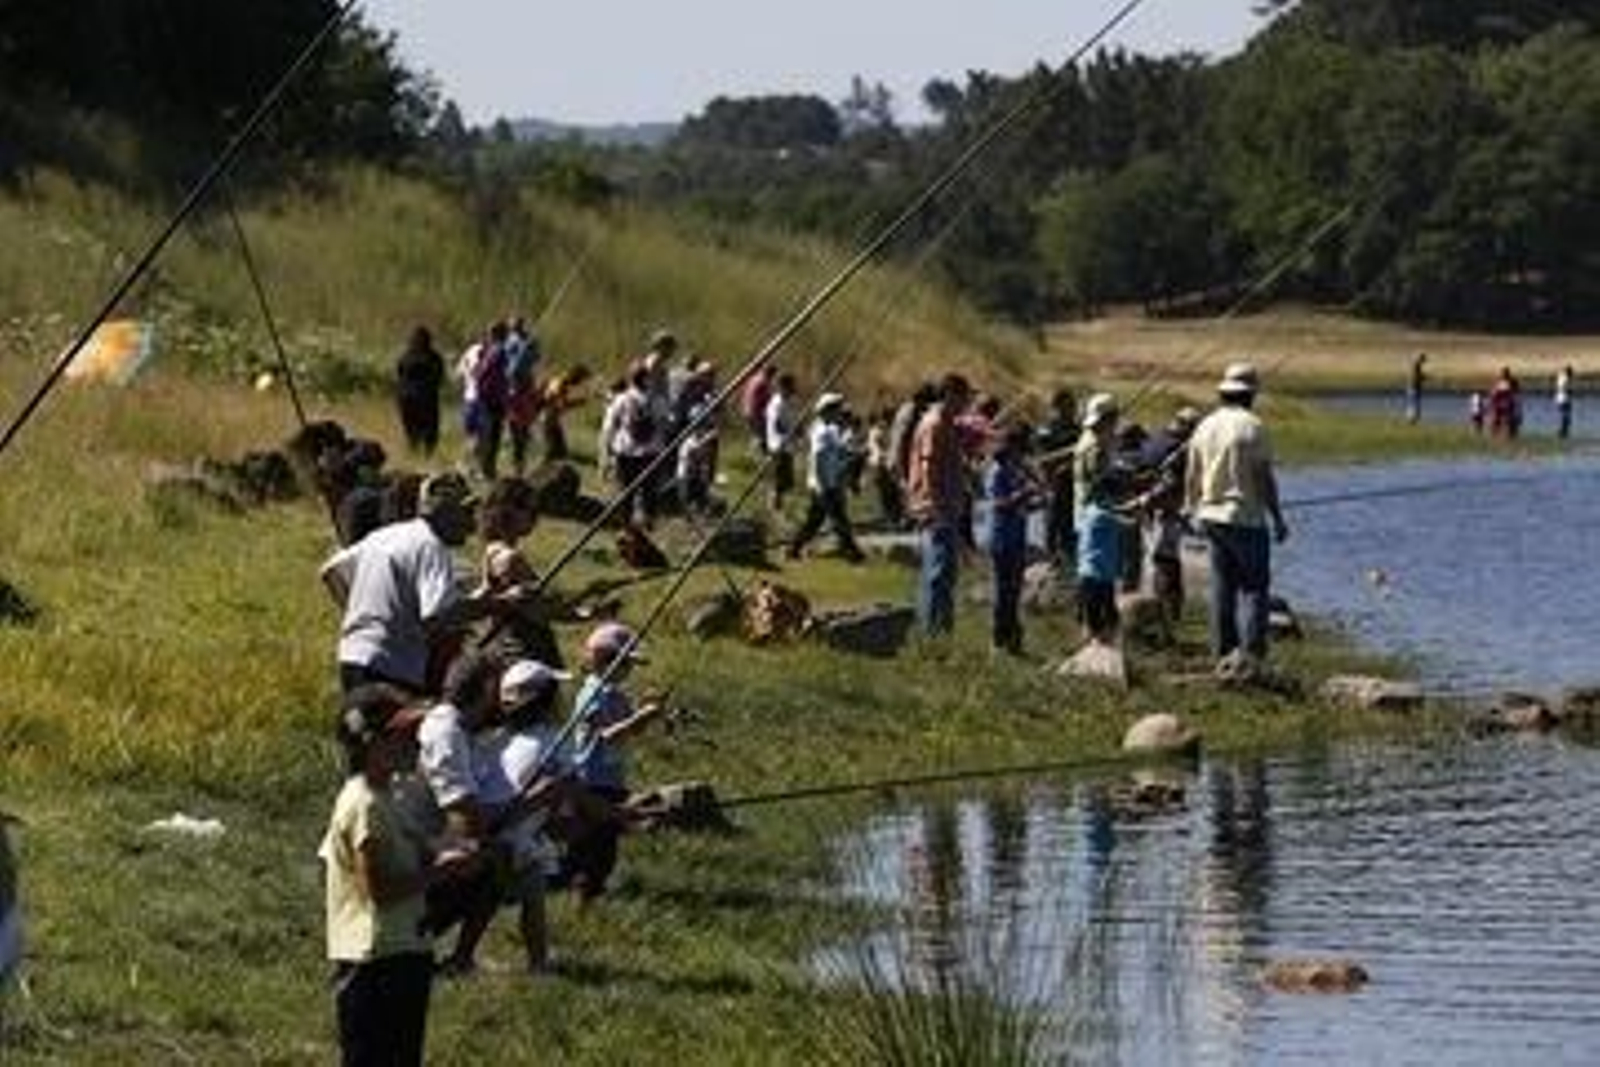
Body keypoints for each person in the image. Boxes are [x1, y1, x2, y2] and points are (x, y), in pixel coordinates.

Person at [320, 684, 482, 1067]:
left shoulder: (387, 797)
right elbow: (377, 890)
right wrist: (441, 871)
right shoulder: (364, 805)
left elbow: (409, 857)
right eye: (405, 735)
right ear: (371, 743)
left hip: (403, 950)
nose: (416, 743)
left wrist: (449, 852)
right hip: (373, 960)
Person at [326, 472, 515, 696]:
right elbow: (439, 615)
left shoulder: (386, 534)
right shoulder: (431, 546)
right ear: (442, 511)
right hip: (391, 668)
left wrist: (362, 617)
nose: (472, 523)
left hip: (351, 657)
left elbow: (331, 571)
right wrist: (501, 604)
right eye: (465, 511)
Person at [1184, 363, 1289, 664]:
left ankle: (1223, 654)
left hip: (1211, 518)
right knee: (1255, 588)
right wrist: (1278, 518)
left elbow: (1192, 474)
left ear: (1224, 392)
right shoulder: (1253, 425)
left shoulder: (1205, 426)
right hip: (1246, 519)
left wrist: (1191, 509)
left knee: (1222, 587)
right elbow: (1263, 478)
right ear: (1250, 394)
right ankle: (1252, 657)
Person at [564, 624, 664, 901]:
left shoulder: (617, 695)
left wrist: (647, 714)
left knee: (605, 843)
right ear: (601, 660)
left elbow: (630, 731)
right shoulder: (592, 695)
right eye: (624, 663)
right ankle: (581, 894)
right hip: (591, 780)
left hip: (611, 778)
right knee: (593, 844)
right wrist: (641, 717)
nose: (629, 670)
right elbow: (607, 735)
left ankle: (589, 890)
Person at [906, 374, 973, 636]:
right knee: (937, 573)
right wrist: (936, 507)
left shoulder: (946, 422)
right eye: (963, 396)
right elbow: (928, 467)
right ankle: (933, 634)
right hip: (937, 510)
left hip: (946, 508)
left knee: (942, 573)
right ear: (949, 395)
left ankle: (938, 631)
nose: (966, 402)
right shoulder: (935, 424)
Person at [1135, 407, 1200, 625]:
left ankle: (1161, 609)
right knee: (1166, 561)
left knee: (1156, 559)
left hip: (1146, 509)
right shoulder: (1180, 449)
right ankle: (1168, 612)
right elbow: (1170, 483)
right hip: (1165, 511)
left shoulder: (1155, 439)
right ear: (1189, 427)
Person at [788, 393, 865, 563]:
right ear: (828, 411)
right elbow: (818, 459)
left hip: (826, 482)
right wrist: (825, 485)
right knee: (839, 520)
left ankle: (793, 549)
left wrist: (852, 453)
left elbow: (837, 451)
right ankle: (854, 555)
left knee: (814, 522)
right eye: (837, 409)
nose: (840, 412)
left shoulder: (830, 429)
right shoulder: (821, 432)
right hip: (823, 484)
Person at [1074, 394, 1124, 643]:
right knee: (1098, 574)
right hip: (1098, 513)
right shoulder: (1096, 446)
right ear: (1109, 418)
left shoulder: (1091, 439)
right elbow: (1104, 482)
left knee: (1093, 569)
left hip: (1089, 512)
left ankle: (1090, 623)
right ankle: (1095, 627)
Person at [985, 424, 1038, 655]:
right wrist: (1023, 494)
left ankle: (1013, 639)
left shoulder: (1015, 468)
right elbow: (999, 504)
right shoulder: (996, 471)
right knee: (1003, 592)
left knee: (1014, 592)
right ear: (1012, 447)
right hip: (1001, 539)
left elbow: (1020, 506)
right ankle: (998, 641)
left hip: (1017, 537)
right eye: (1022, 447)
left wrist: (1037, 502)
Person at [1033, 388, 1079, 578]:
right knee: (1053, 522)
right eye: (1069, 406)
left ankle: (1070, 562)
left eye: (1073, 406)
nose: (1072, 410)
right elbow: (1042, 459)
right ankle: (1051, 560)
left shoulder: (1077, 429)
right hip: (1054, 484)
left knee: (1071, 527)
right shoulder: (1047, 429)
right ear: (1058, 407)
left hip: (1074, 485)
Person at [394, 326, 446, 456]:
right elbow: (439, 377)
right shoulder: (433, 357)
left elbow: (399, 375)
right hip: (425, 398)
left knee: (412, 428)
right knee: (429, 429)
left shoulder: (406, 356)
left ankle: (415, 451)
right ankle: (426, 454)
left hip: (407, 397)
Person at [538, 365, 590, 463]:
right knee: (552, 451)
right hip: (549, 419)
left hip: (550, 418)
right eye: (580, 380)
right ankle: (544, 468)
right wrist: (579, 402)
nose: (579, 384)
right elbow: (562, 405)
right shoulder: (562, 385)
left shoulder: (558, 380)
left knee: (561, 450)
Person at [765, 373, 801, 512]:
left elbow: (793, 419)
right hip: (778, 445)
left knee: (786, 481)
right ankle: (774, 507)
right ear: (783, 387)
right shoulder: (776, 403)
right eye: (791, 386)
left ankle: (779, 507)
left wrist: (798, 429)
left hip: (787, 445)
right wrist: (791, 431)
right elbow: (777, 425)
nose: (793, 388)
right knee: (778, 480)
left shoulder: (789, 401)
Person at [1555, 365, 1574, 440]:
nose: (1572, 375)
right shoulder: (1565, 378)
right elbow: (1564, 388)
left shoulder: (1561, 377)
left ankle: (1563, 433)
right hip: (1564, 399)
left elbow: (1562, 388)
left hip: (1562, 399)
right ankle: (1563, 433)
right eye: (1571, 373)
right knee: (1565, 417)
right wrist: (1569, 391)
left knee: (1565, 417)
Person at [1407, 352, 1427, 425]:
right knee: (1415, 405)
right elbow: (1416, 378)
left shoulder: (1416, 366)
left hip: (1413, 388)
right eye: (1423, 360)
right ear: (1420, 359)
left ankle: (1413, 420)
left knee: (1414, 404)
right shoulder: (1416, 366)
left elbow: (1418, 376)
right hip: (1414, 388)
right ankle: (1413, 420)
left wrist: (1423, 377)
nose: (1423, 362)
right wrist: (1424, 378)